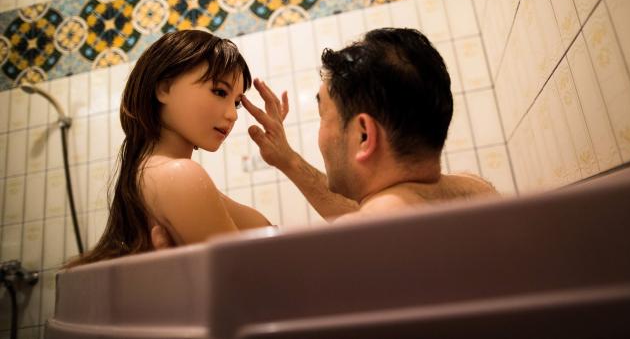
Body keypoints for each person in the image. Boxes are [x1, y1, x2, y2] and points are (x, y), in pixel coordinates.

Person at [240, 27, 497, 223]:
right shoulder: (479, 192)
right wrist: (288, 160)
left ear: (364, 134)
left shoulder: (357, 235)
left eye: (322, 116)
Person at [68, 30, 278, 267]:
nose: (232, 115)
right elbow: (248, 280)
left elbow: (261, 235)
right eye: (219, 92)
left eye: (237, 103)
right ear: (164, 89)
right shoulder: (180, 176)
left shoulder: (147, 173)